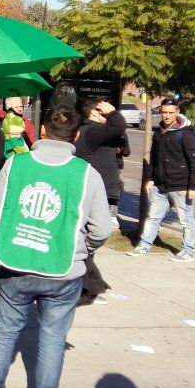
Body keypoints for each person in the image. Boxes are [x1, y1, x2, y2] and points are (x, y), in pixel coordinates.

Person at [0, 107, 112, 388]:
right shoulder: (86, 174)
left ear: (43, 131)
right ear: (76, 136)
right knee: (52, 340)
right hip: (64, 271)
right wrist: (84, 251)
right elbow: (102, 228)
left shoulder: (16, 164)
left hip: (16, 264)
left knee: (4, 333)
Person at [129, 97, 195, 262]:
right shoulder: (159, 132)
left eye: (170, 113)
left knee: (186, 221)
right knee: (153, 218)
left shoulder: (186, 134)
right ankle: (143, 246)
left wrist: (194, 187)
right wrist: (150, 178)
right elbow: (154, 158)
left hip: (181, 186)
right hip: (160, 185)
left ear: (177, 112)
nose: (167, 116)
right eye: (164, 112)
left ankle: (188, 251)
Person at [75, 99, 129, 305]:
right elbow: (118, 125)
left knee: (89, 242)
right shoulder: (91, 131)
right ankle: (88, 286)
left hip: (102, 191)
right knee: (89, 241)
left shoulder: (96, 132)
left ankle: (92, 283)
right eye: (102, 110)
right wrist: (112, 112)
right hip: (97, 194)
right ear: (95, 113)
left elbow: (122, 139)